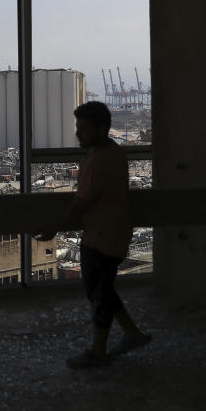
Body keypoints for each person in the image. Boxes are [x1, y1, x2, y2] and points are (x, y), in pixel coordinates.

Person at [39, 101, 151, 368]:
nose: (78, 133)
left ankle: (99, 351)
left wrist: (55, 227)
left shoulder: (99, 161)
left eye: (83, 128)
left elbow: (81, 203)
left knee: (99, 294)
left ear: (101, 130)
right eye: (77, 127)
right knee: (105, 290)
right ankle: (132, 334)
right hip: (110, 233)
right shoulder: (113, 153)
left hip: (101, 237)